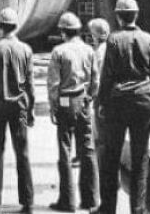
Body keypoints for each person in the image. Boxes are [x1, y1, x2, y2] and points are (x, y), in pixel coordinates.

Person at [97, 0, 150, 214]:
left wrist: (102, 103)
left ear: (118, 17)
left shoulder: (113, 40)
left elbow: (107, 77)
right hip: (144, 103)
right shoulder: (149, 39)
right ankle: (138, 209)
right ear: (136, 15)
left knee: (111, 158)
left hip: (118, 105)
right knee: (140, 159)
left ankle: (108, 209)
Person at [0, 7, 34, 214]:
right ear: (16, 26)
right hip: (18, 107)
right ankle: (27, 203)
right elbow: (29, 85)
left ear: (0, 26)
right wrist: (30, 110)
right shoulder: (26, 50)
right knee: (22, 153)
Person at [47, 12, 99, 214]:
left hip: (65, 100)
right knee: (87, 148)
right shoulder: (89, 50)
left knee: (65, 148)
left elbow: (54, 84)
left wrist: (54, 107)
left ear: (63, 32)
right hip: (83, 99)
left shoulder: (59, 51)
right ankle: (90, 199)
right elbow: (95, 80)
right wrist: (89, 97)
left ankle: (67, 201)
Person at [87, 18, 111, 174]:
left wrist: (94, 98)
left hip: (102, 100)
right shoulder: (110, 48)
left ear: (95, 35)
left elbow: (98, 80)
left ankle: (103, 174)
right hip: (112, 99)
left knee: (101, 138)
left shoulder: (98, 53)